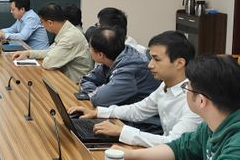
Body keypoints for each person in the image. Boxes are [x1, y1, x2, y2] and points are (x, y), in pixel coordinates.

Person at [68, 30, 202, 147]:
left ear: (179, 63)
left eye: (157, 60)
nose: (150, 65)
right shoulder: (165, 85)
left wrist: (122, 131)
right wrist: (99, 112)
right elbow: (138, 110)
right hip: (163, 151)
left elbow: (174, 143)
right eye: (151, 58)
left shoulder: (194, 98)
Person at [78, 27, 160, 107]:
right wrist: (98, 92)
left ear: (100, 55)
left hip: (143, 115)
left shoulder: (129, 68)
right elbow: (86, 80)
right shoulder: (113, 57)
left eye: (90, 47)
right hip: (123, 110)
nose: (88, 48)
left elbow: (99, 100)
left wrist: (95, 93)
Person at [12, 3, 94, 82]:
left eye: (42, 22)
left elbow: (48, 63)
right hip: (64, 78)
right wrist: (29, 53)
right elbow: (50, 51)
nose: (42, 25)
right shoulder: (65, 30)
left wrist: (48, 56)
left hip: (75, 85)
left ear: (50, 23)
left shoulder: (70, 37)